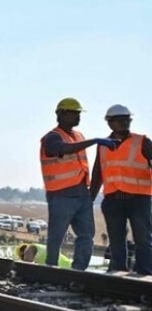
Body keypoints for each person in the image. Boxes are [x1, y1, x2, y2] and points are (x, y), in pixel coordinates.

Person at [40, 98, 117, 270]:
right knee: (57, 236)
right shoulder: (52, 138)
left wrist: (90, 193)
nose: (78, 117)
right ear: (61, 114)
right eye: (74, 113)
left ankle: (78, 270)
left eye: (79, 113)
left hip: (82, 193)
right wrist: (95, 140)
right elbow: (62, 149)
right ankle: (50, 269)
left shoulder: (78, 136)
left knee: (86, 234)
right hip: (61, 194)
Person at [89, 104, 152, 275]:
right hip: (113, 199)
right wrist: (89, 200)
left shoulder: (143, 142)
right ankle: (117, 271)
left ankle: (145, 272)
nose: (124, 123)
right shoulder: (103, 145)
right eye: (119, 120)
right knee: (116, 239)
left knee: (143, 238)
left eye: (127, 120)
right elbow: (97, 174)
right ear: (109, 123)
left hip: (139, 199)